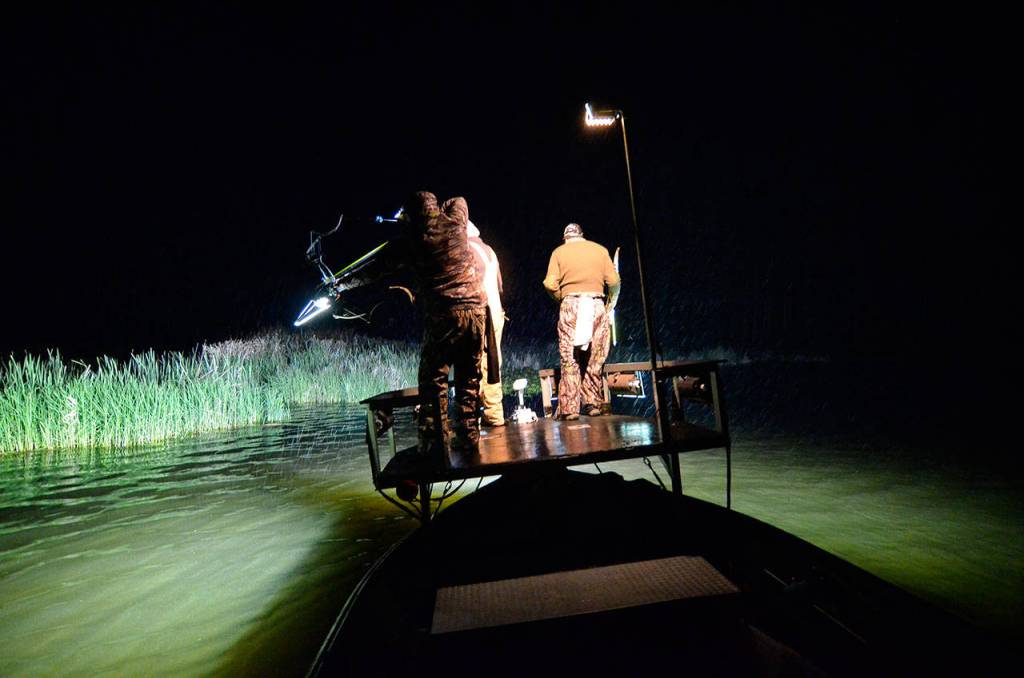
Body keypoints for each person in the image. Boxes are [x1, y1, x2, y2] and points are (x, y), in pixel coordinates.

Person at [399, 191, 488, 455]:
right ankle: (469, 437)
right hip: (475, 313)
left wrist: (341, 285)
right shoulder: (455, 224)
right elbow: (459, 200)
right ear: (434, 207)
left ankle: (435, 442)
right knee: (469, 378)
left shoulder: (413, 241)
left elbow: (376, 268)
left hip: (445, 315)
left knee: (434, 379)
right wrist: (439, 210)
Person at [542, 222, 620, 420]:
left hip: (572, 304)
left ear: (565, 238)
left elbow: (550, 284)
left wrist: (563, 297)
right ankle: (592, 403)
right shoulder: (600, 250)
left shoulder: (559, 252)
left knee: (570, 357)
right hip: (596, 304)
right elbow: (614, 282)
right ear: (582, 235)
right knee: (596, 356)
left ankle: (569, 409)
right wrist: (610, 303)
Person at [466, 219, 505, 427]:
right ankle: (495, 413)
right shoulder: (489, 250)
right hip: (495, 310)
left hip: (479, 312)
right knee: (492, 362)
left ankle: (472, 416)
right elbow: (499, 285)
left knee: (473, 362)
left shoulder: (465, 249)